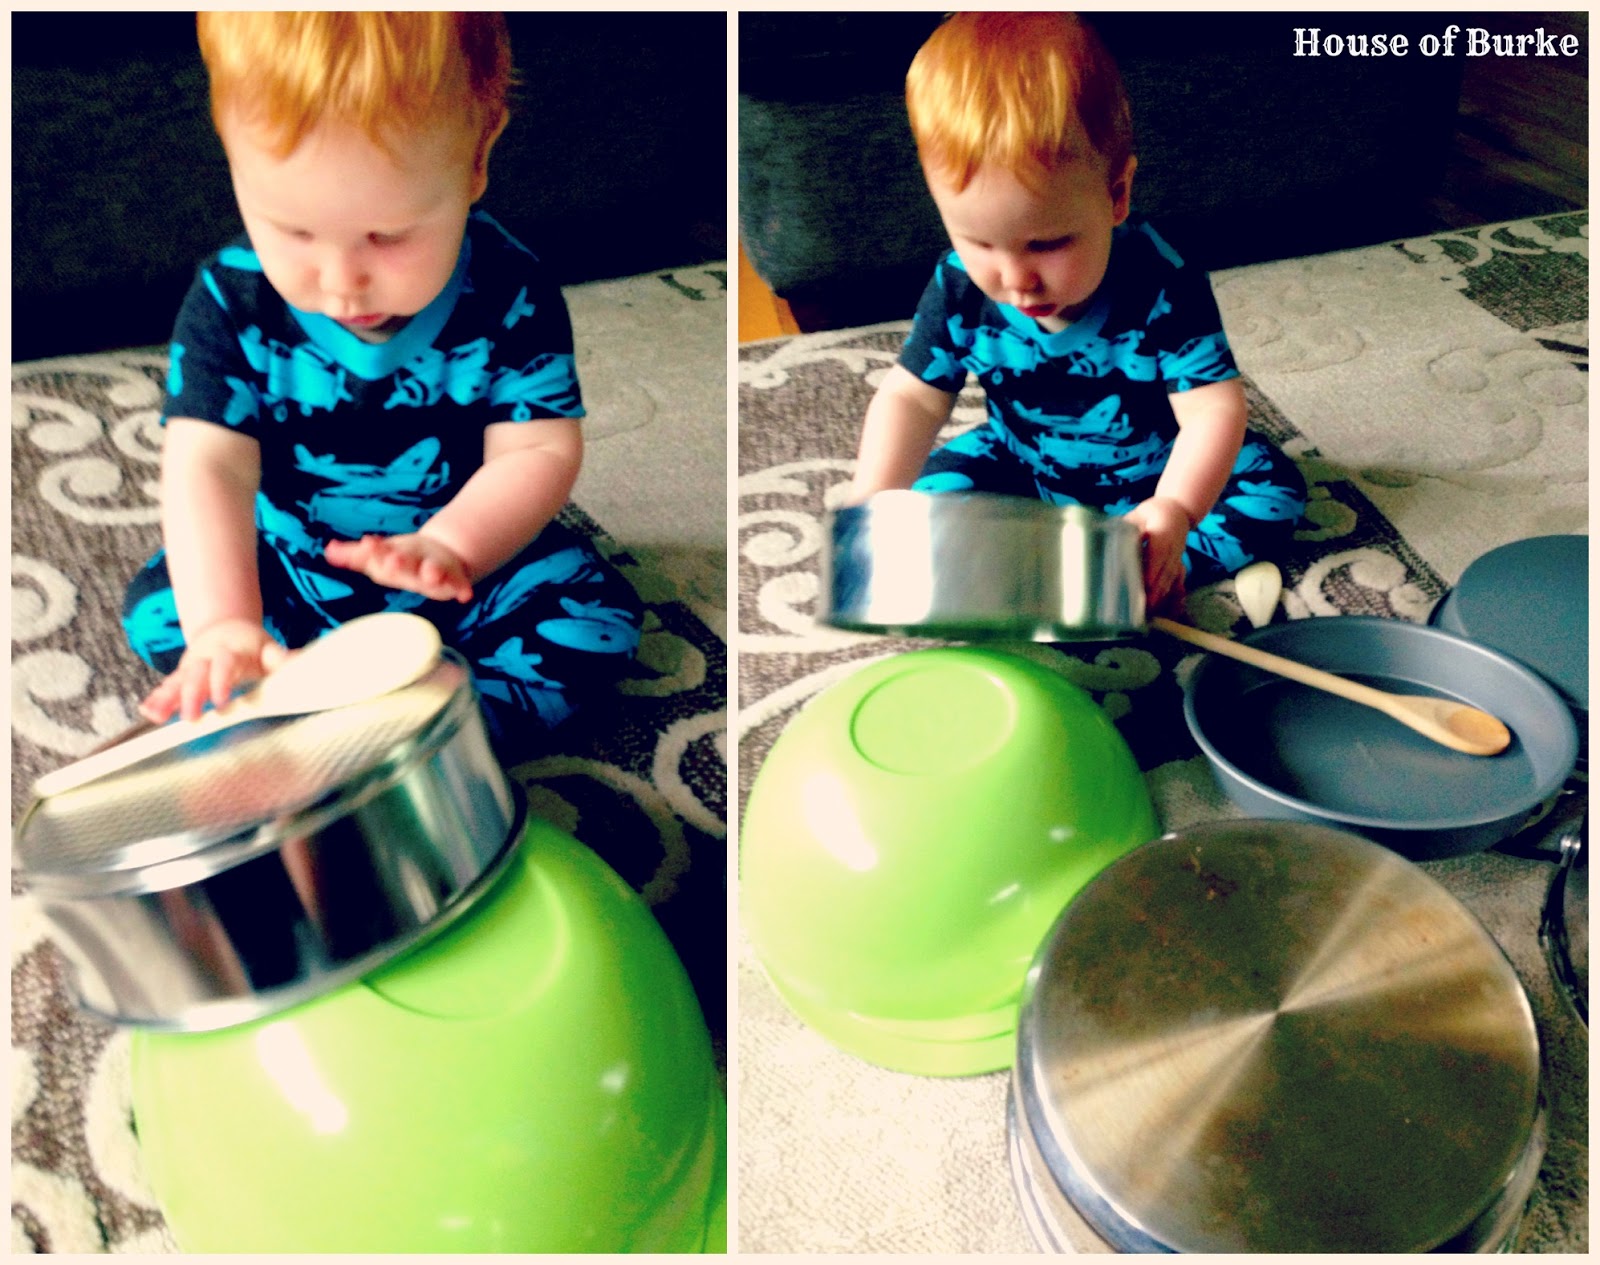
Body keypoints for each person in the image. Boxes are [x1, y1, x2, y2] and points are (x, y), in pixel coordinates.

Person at [122, 11, 643, 754]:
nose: (340, 282)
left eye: (390, 236)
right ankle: (294, 687)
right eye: (292, 232)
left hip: (465, 573)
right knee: (164, 605)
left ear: (477, 156)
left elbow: (538, 452)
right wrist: (227, 625)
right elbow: (208, 462)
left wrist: (451, 546)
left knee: (596, 616)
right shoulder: (227, 298)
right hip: (294, 570)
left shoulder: (510, 288)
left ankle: (423, 727)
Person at [849, 12, 1306, 612]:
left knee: (1275, 491)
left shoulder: (1163, 279)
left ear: (1116, 194)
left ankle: (1144, 566)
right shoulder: (957, 285)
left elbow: (1213, 408)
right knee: (931, 492)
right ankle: (1057, 561)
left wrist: (1175, 509)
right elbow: (913, 396)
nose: (1014, 278)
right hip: (1027, 460)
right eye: (979, 242)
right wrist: (874, 493)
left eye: (1048, 244)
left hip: (1155, 476)